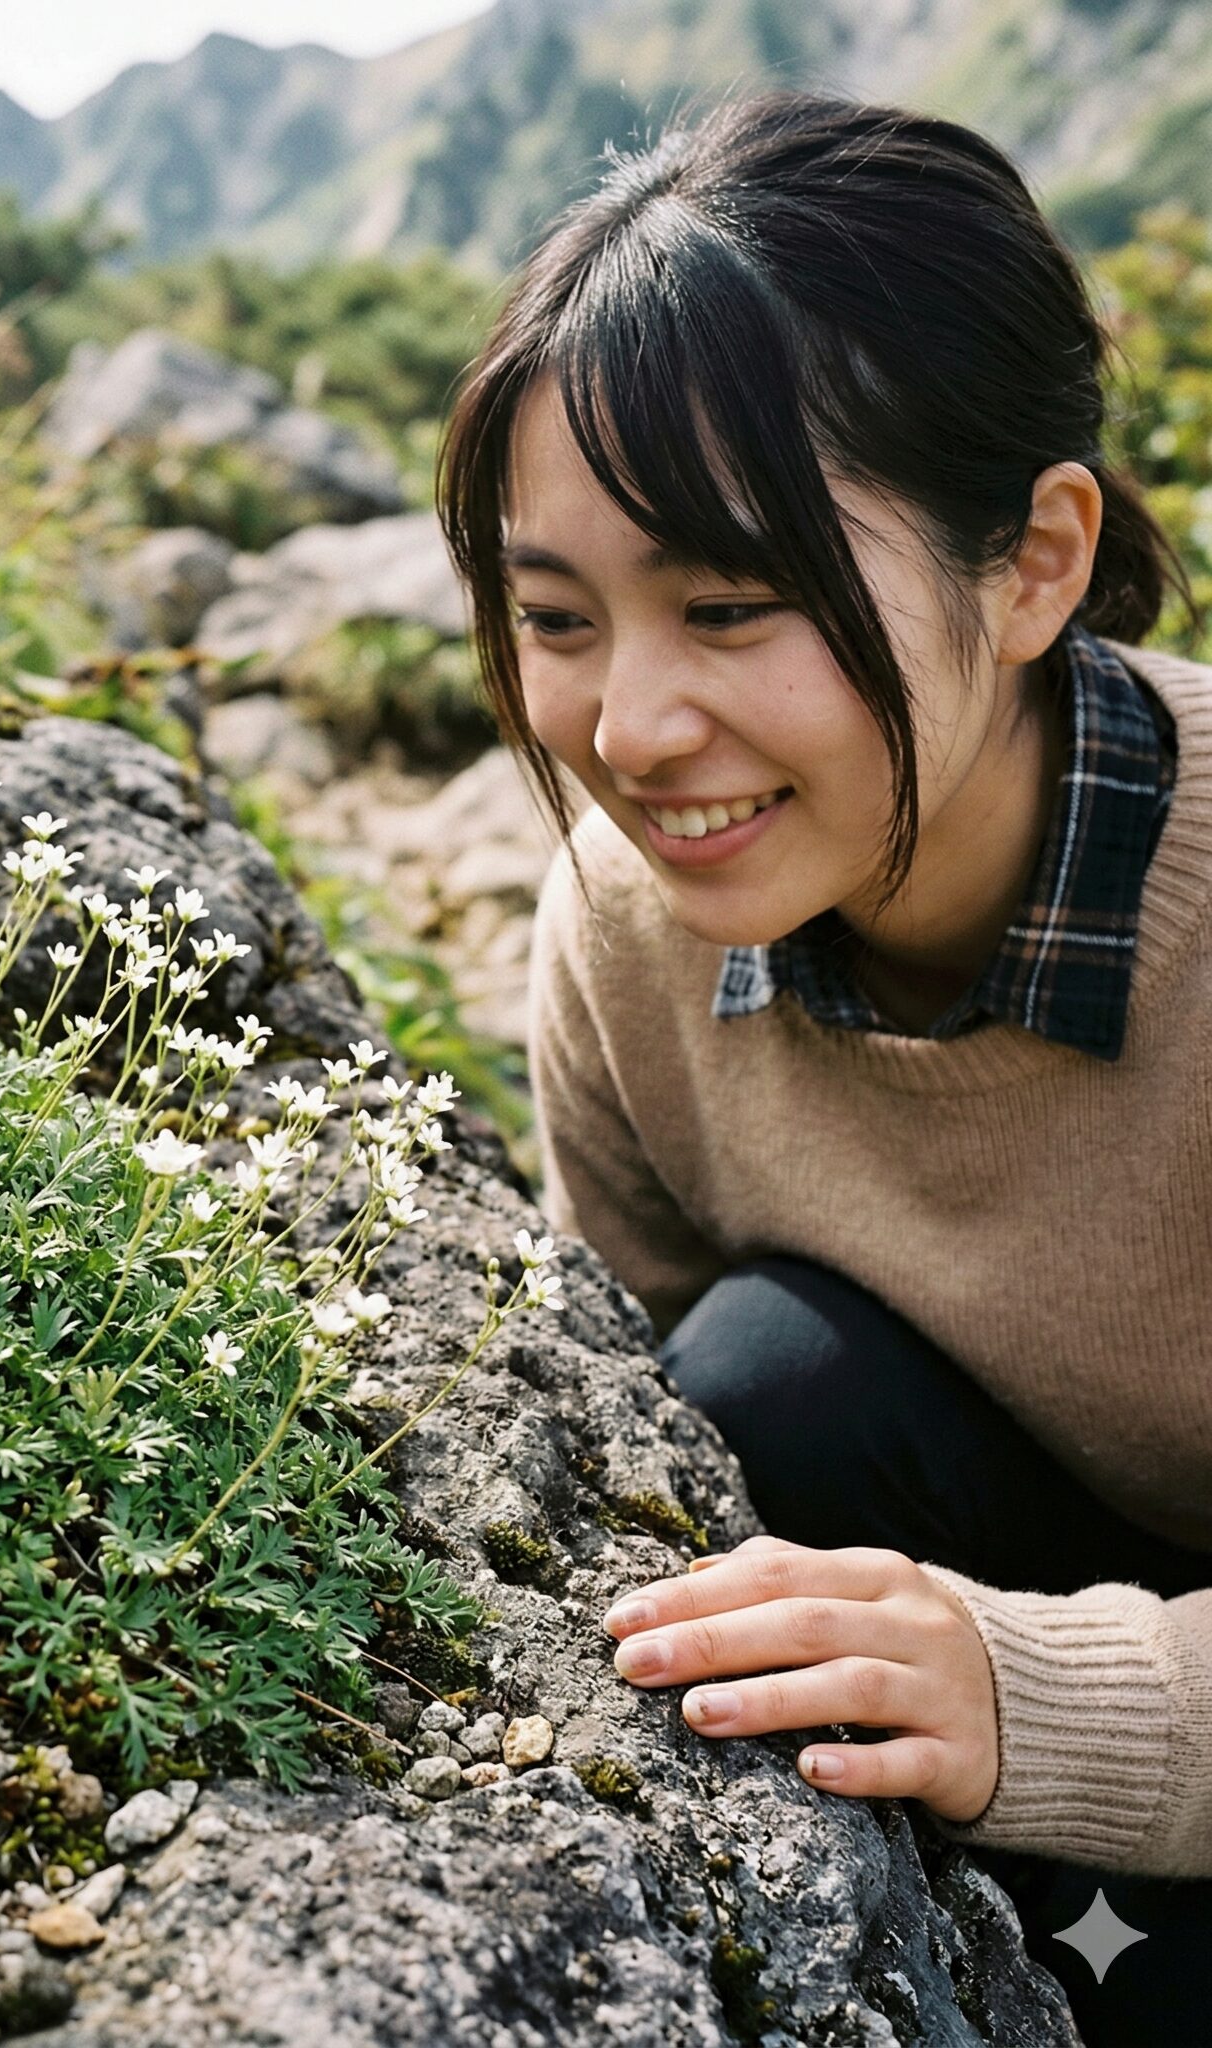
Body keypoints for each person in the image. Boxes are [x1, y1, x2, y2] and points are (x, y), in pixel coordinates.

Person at [434, 86, 1211, 2044]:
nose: (630, 724)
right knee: (753, 1384)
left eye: (728, 603)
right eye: (556, 619)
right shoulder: (627, 918)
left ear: (1035, 563)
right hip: (1034, 1668)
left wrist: (1033, 1699)